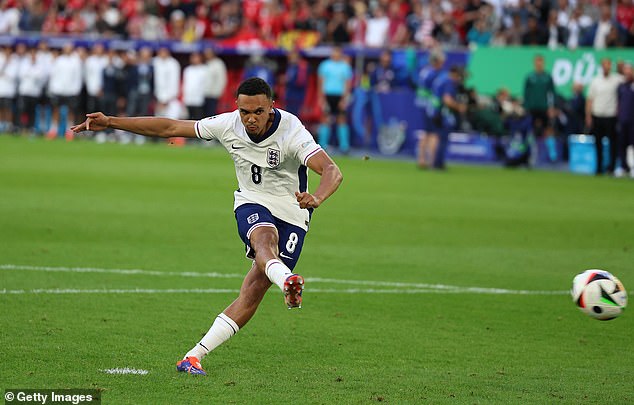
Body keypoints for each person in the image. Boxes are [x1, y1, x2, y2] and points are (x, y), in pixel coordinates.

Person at [71, 77, 343, 376]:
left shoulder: (292, 131)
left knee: (253, 290)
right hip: (252, 200)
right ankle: (288, 281)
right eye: (244, 112)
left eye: (258, 112)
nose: (250, 118)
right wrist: (111, 122)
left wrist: (317, 196)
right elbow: (171, 128)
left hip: (294, 210)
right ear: (237, 108)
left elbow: (331, 170)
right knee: (264, 241)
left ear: (271, 107)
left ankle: (194, 356)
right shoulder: (227, 124)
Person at [586, 58, 623, 175]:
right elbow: (590, 99)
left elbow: (628, 79)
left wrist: (621, 67)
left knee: (612, 143)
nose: (606, 67)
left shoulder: (617, 79)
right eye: (604, 65)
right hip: (597, 115)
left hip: (611, 116)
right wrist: (588, 115)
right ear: (602, 66)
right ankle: (599, 167)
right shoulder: (596, 81)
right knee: (598, 144)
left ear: (610, 66)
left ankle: (611, 168)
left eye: (608, 65)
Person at [317, 45, 353, 153]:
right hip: (327, 95)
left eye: (338, 52)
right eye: (334, 52)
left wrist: (345, 98)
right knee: (325, 119)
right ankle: (322, 145)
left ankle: (344, 146)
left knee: (341, 119)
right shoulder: (325, 65)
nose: (335, 54)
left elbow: (348, 83)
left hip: (340, 96)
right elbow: (320, 82)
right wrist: (321, 98)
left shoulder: (345, 67)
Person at [416, 48, 445, 169]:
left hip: (422, 105)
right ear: (436, 61)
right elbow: (435, 92)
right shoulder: (434, 74)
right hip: (430, 107)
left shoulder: (424, 71)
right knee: (434, 134)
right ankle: (432, 160)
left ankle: (421, 159)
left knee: (426, 133)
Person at [523, 54, 555, 139]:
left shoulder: (548, 77)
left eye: (540, 62)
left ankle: (545, 148)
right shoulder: (530, 77)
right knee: (531, 128)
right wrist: (526, 106)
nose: (539, 64)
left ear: (543, 63)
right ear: (534, 63)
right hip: (532, 108)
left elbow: (552, 93)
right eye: (537, 62)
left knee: (546, 128)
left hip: (544, 108)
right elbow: (526, 93)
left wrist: (551, 107)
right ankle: (532, 148)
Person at [616, 63, 634, 178]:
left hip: (633, 121)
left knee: (633, 145)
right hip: (623, 120)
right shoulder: (621, 86)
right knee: (622, 144)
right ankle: (624, 167)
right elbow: (619, 103)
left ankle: (633, 167)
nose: (627, 74)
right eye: (625, 72)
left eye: (629, 71)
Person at [202, 47, 227, 117]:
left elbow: (222, 79)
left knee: (211, 114)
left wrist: (218, 92)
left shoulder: (218, 63)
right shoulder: (206, 63)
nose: (207, 54)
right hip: (205, 94)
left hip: (213, 94)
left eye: (208, 53)